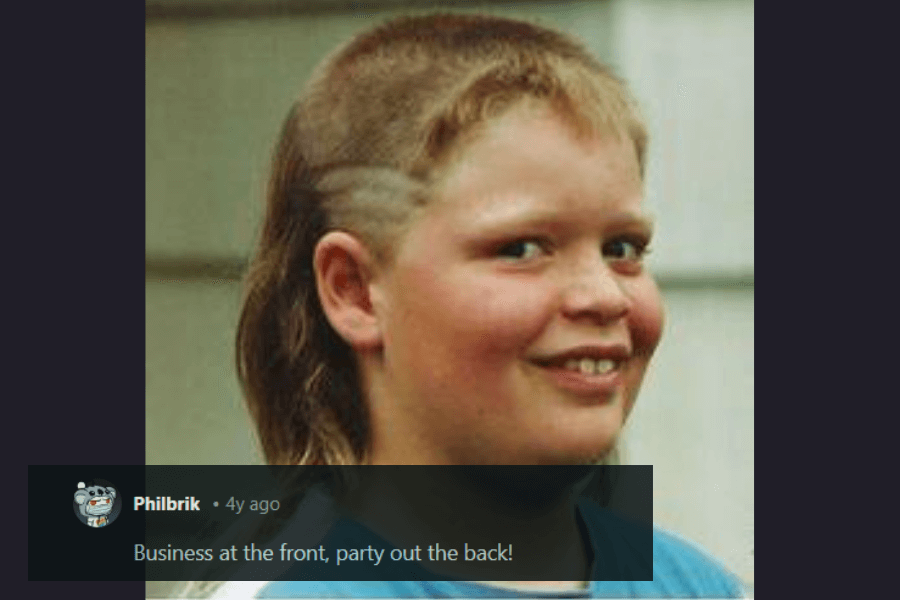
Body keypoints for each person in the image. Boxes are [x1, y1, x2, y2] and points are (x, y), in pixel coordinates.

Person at [209, 12, 747, 599]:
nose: (603, 294)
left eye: (623, 249)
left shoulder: (698, 587)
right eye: (521, 248)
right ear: (355, 291)